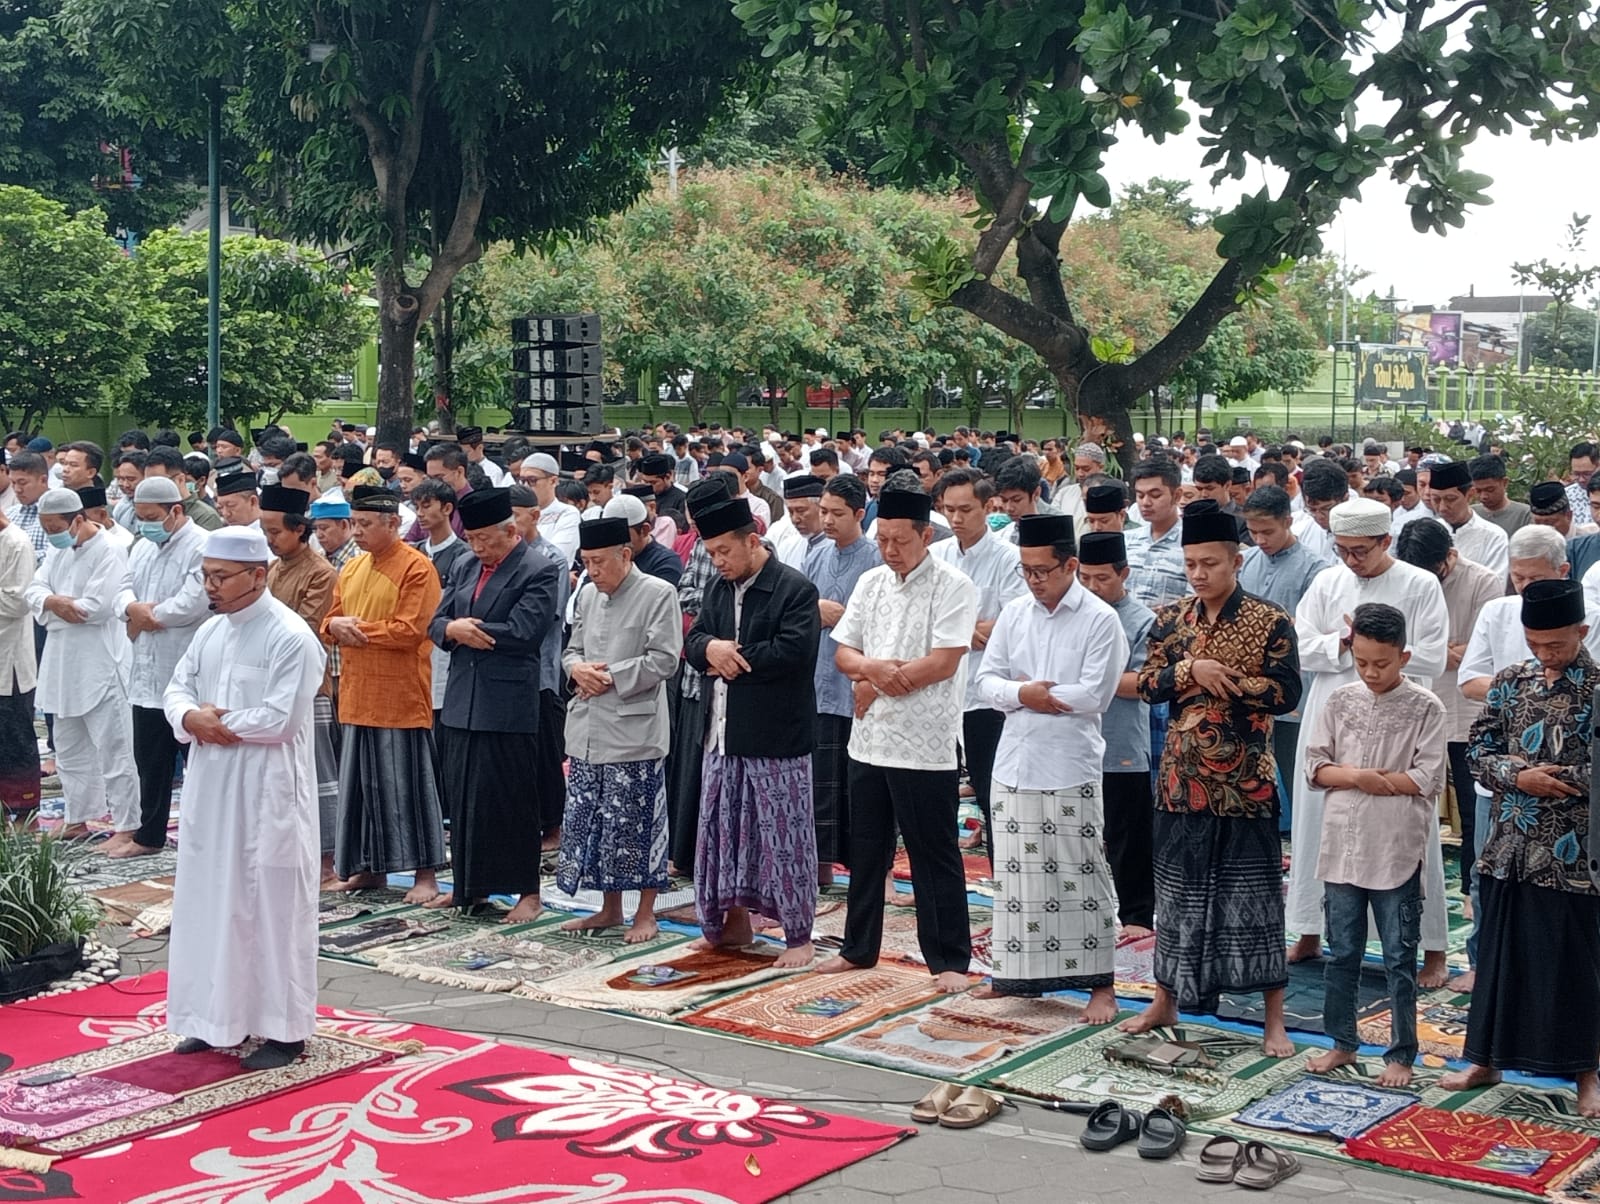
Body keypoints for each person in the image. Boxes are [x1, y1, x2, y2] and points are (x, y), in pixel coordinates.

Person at [1120, 500, 1302, 1056]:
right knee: (1174, 900)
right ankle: (1164, 1000)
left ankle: (1273, 1019)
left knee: (1254, 903)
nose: (1199, 574)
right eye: (1192, 564)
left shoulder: (1270, 621)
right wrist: (1188, 672)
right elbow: (1148, 683)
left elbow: (1286, 693)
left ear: (1236, 562)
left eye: (1211, 564)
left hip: (1246, 784)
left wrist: (1231, 684)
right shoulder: (1172, 620)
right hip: (1180, 781)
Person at [163, 526, 326, 1071]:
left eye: (220, 577)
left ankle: (284, 1030)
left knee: (271, 909)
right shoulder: (210, 631)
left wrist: (215, 721)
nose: (210, 586)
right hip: (212, 788)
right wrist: (190, 717)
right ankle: (213, 1020)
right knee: (211, 903)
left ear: (257, 576)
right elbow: (176, 687)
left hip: (267, 791)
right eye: (205, 576)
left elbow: (282, 718)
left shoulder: (290, 635)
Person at [1441, 578, 1600, 1115]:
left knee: (1574, 964)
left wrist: (1564, 780)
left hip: (1571, 854)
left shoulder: (1597, 688)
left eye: (1555, 644)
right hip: (1508, 845)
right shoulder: (1512, 681)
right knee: (1498, 956)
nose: (1544, 654)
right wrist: (1518, 774)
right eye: (1535, 643)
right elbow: (1479, 749)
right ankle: (1484, 1058)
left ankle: (1585, 1074)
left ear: (1581, 631)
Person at [817, 477, 979, 994]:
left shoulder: (954, 586)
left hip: (925, 742)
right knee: (866, 849)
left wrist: (877, 681)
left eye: (899, 540)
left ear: (925, 536)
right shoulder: (871, 583)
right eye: (881, 538)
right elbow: (843, 652)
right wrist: (868, 672)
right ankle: (858, 948)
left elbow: (944, 661)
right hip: (869, 740)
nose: (888, 549)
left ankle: (949, 959)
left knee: (934, 852)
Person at [1286, 498, 1450, 982]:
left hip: (1401, 720)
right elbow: (1301, 643)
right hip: (1333, 711)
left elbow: (1434, 658)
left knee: (1408, 831)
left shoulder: (1419, 584)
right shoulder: (1326, 580)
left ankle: (1434, 948)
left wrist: (1382, 654)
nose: (1351, 561)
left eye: (1361, 551)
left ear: (1385, 541)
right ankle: (1310, 929)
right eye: (1342, 551)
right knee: (1320, 822)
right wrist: (1343, 646)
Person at [974, 514, 1125, 1018]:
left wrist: (1036, 697)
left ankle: (1100, 983)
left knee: (1082, 875)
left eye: (1043, 571)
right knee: (1017, 879)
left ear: (1071, 565)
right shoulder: (1015, 613)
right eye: (1026, 571)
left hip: (1069, 763)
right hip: (1015, 760)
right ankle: (1017, 977)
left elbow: (1095, 694)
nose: (1034, 581)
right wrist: (1024, 693)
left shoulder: (1100, 619)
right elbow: (986, 683)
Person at [1303, 602, 1448, 1088]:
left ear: (1404, 657)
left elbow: (1426, 778)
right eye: (1361, 662)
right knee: (1341, 952)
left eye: (1381, 663)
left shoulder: (1426, 706)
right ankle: (1342, 1043)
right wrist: (1365, 777)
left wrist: (1359, 781)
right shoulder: (1341, 700)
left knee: (1398, 958)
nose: (1370, 672)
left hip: (1395, 848)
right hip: (1342, 844)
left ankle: (1401, 1053)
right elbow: (1315, 767)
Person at [683, 494, 821, 968]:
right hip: (721, 735)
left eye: (724, 551)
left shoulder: (793, 589)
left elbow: (794, 652)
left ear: (753, 541)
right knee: (721, 835)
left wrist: (731, 659)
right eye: (711, 553)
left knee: (783, 839)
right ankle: (728, 927)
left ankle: (798, 937)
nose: (718, 561)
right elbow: (695, 639)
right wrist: (711, 650)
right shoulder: (719, 588)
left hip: (775, 738)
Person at [428, 488, 560, 921]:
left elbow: (525, 632)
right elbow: (436, 621)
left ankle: (527, 892)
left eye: (487, 539)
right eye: (473, 539)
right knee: (464, 796)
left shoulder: (538, 569)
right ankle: (468, 887)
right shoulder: (466, 564)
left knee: (511, 797)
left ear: (511, 530)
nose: (479, 547)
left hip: (508, 701)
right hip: (463, 697)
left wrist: (469, 632)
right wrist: (452, 628)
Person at [558, 515, 683, 942]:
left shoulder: (657, 593)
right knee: (594, 824)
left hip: (634, 731)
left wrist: (608, 675)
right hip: (588, 727)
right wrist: (577, 670)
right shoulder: (589, 595)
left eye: (599, 562)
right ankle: (607, 909)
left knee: (638, 824)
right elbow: (571, 649)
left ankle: (645, 913)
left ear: (625, 555)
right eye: (586, 563)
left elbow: (665, 659)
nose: (592, 572)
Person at [321, 485, 446, 903]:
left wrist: (352, 631)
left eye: (366, 524)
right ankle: (368, 870)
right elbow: (331, 620)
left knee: (407, 786)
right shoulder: (353, 568)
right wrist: (335, 628)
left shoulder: (416, 567)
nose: (357, 532)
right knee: (359, 789)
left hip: (399, 694)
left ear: (393, 523)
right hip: (357, 692)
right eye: (354, 524)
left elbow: (411, 630)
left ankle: (424, 874)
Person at [1395, 516, 1502, 918]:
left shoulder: (1483, 581)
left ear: (1451, 556)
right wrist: (1445, 651)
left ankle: (1473, 889)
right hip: (1417, 702)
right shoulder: (1406, 580)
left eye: (1435, 572)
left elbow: (1478, 654)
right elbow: (1408, 647)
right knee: (1410, 797)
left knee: (1475, 804)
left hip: (1466, 708)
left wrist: (1440, 652)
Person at [27, 487, 138, 844]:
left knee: (115, 747)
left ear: (78, 520)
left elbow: (95, 609)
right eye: (44, 529)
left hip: (102, 660)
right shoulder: (60, 552)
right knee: (69, 745)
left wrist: (51, 607)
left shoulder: (111, 550)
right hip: (62, 662)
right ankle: (78, 818)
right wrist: (53, 602)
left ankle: (127, 823)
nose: (50, 535)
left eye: (54, 527)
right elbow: (34, 591)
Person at [931, 467, 1025, 866]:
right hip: (938, 688)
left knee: (990, 788)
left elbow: (1013, 623)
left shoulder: (1008, 559)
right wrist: (968, 629)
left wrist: (957, 630)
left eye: (965, 509)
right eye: (948, 509)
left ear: (988, 507)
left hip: (986, 694)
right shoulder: (935, 556)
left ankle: (1003, 872)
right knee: (938, 789)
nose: (955, 519)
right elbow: (924, 622)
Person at [112, 477, 209, 858]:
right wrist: (132, 609)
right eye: (139, 518)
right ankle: (148, 836)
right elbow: (122, 589)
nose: (144, 525)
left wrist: (150, 615)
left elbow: (193, 603)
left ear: (176, 511)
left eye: (152, 517)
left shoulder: (200, 545)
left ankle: (202, 840)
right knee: (149, 761)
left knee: (197, 766)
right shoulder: (143, 547)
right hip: (147, 671)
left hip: (185, 670)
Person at [1076, 531, 1156, 938]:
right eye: (1084, 578)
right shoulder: (1072, 612)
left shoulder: (1142, 619)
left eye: (1102, 578)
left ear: (1123, 573)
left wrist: (1087, 681)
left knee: (1127, 834)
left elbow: (1143, 682)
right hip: (1075, 743)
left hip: (1122, 741)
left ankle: (1138, 915)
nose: (1092, 587)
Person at [260, 483, 341, 885]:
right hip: (269, 685)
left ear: (299, 530)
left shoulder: (321, 573)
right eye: (265, 531)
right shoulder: (273, 569)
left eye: (275, 532)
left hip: (310, 687)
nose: (269, 539)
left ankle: (327, 860)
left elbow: (308, 631)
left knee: (319, 775)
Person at [806, 474, 882, 889]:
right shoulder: (816, 554)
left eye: (837, 513)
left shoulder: (874, 560)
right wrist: (813, 610)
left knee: (859, 787)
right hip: (818, 681)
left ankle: (869, 873)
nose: (828, 520)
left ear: (858, 513)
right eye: (824, 512)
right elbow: (799, 605)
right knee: (821, 783)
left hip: (856, 684)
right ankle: (819, 867)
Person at [0, 500, 39, 819]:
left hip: (9, 658)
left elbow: (17, 603)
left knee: (15, 735)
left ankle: (24, 807)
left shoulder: (17, 543)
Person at [1426, 459, 1509, 577]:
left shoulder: (1494, 536)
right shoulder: (1427, 533)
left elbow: (1495, 583)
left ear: (1470, 494)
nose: (1442, 507)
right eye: (1436, 500)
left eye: (1450, 499)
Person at [767, 475, 826, 570]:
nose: (795, 519)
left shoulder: (837, 547)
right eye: (790, 512)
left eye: (801, 510)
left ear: (820, 508)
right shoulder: (787, 547)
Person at [1469, 454, 1530, 537]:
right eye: (1478, 491)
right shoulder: (1470, 514)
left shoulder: (1525, 515)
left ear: (1505, 483)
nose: (1483, 496)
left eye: (1490, 490)